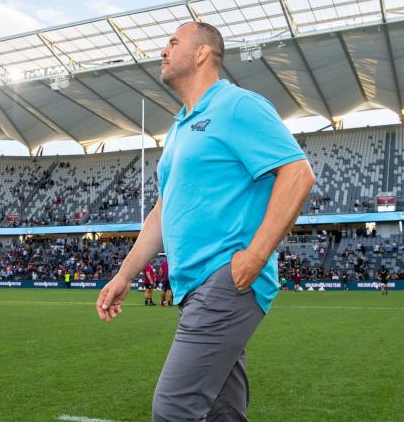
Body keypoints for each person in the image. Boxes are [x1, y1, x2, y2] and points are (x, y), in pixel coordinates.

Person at [95, 21, 315, 421]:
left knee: (173, 409)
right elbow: (163, 211)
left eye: (172, 42)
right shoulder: (178, 129)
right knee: (222, 414)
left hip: (225, 281)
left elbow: (298, 173)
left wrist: (254, 256)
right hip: (194, 286)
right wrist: (124, 276)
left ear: (200, 53)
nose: (163, 51)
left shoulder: (236, 105)